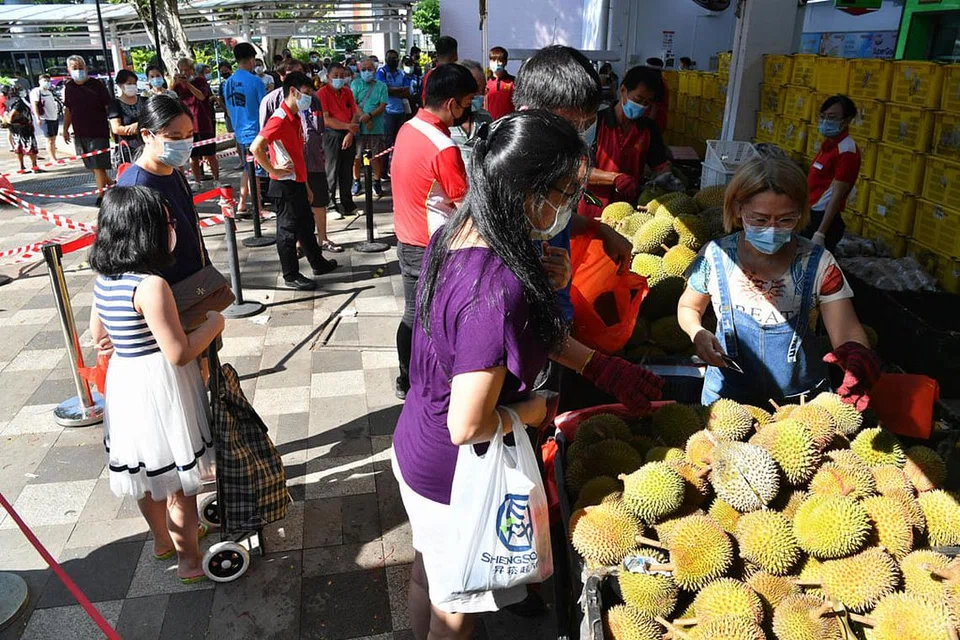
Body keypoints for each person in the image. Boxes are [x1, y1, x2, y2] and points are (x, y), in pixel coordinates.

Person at [392, 110, 586, 639]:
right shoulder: (496, 289)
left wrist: (547, 286)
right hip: (453, 469)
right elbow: (468, 425)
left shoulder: (454, 232)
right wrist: (534, 409)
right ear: (528, 190)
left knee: (427, 577)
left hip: (414, 438)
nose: (571, 204)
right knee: (455, 616)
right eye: (566, 190)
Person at [511, 46, 662, 418]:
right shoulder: (514, 182)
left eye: (584, 123)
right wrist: (596, 365)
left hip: (557, 326)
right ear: (535, 114)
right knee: (531, 425)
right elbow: (521, 319)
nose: (579, 133)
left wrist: (597, 228)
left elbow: (559, 220)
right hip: (535, 343)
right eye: (573, 124)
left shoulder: (555, 162)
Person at [88, 186, 222, 585]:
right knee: (181, 481)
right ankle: (190, 562)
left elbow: (99, 335)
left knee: (147, 477)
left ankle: (162, 541)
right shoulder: (151, 285)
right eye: (166, 223)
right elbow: (178, 352)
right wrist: (214, 323)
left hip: (126, 385)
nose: (172, 228)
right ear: (147, 232)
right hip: (161, 387)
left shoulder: (104, 278)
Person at [678, 155, 879, 410]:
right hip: (727, 400)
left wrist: (857, 358)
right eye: (760, 219)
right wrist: (698, 332)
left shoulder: (818, 263)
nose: (772, 229)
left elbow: (847, 330)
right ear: (738, 209)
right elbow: (689, 307)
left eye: (785, 220)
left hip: (800, 403)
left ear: (800, 213)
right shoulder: (715, 256)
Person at [391, 63, 476, 399]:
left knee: (413, 313)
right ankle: (426, 385)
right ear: (452, 102)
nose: (466, 110)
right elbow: (464, 201)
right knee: (433, 319)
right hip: (433, 245)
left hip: (406, 237)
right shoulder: (444, 146)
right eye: (466, 102)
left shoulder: (408, 127)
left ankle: (405, 380)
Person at [250, 71, 338, 290]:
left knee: (306, 226)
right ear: (293, 91)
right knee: (287, 231)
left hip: (297, 181)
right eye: (306, 93)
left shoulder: (295, 117)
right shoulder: (279, 118)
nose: (308, 98)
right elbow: (256, 147)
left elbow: (298, 155)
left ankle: (318, 263)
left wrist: (306, 184)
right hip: (284, 184)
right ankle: (291, 275)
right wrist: (273, 170)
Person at [116, 95, 209, 289]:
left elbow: (191, 231)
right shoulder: (135, 188)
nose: (184, 144)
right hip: (163, 296)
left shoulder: (174, 173)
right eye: (174, 137)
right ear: (146, 135)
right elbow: (134, 263)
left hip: (193, 284)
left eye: (189, 135)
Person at [580, 65, 673, 219]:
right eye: (638, 99)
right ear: (623, 91)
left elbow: (660, 164)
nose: (642, 106)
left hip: (628, 215)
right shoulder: (595, 122)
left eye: (647, 103)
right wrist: (615, 178)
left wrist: (665, 175)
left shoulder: (648, 129)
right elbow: (580, 171)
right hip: (593, 210)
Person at [803, 95, 862, 252]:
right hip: (810, 211)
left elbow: (837, 196)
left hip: (822, 218)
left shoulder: (846, 151)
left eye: (832, 117)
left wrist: (820, 233)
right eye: (823, 117)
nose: (825, 121)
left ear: (846, 120)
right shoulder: (828, 145)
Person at [223, 42, 269, 215]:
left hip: (240, 131)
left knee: (247, 170)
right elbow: (265, 108)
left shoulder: (229, 83)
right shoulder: (255, 81)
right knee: (255, 173)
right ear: (252, 59)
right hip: (255, 132)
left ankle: (242, 204)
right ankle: (258, 207)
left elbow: (228, 109)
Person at [62, 55, 113, 196]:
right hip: (79, 132)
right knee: (91, 165)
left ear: (86, 68)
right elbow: (68, 109)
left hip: (98, 131)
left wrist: (113, 126)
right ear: (69, 70)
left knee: (98, 165)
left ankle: (102, 195)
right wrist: (65, 128)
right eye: (74, 68)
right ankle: (111, 184)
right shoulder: (69, 87)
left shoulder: (97, 85)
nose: (78, 70)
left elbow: (108, 105)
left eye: (80, 67)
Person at [317, 63, 359, 218]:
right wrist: (348, 126)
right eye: (335, 76)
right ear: (328, 77)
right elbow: (326, 119)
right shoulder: (322, 93)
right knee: (331, 170)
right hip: (331, 135)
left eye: (342, 75)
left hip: (349, 133)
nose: (339, 79)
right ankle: (330, 204)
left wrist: (350, 131)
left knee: (346, 171)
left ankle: (348, 203)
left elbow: (354, 112)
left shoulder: (347, 92)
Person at [173, 58, 219, 190]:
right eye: (181, 70)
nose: (184, 72)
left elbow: (201, 96)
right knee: (193, 156)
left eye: (186, 70)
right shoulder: (178, 85)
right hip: (188, 126)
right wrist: (175, 82)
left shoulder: (200, 81)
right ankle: (197, 181)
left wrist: (188, 84)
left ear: (192, 70)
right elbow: (171, 96)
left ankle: (216, 179)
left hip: (203, 123)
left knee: (210, 154)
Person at [350, 57, 388, 198]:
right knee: (357, 157)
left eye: (369, 69)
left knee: (375, 157)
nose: (367, 72)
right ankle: (356, 181)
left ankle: (376, 181)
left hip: (376, 127)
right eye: (364, 69)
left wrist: (370, 116)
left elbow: (382, 106)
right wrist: (365, 118)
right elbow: (353, 104)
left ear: (375, 69)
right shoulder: (355, 84)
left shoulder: (381, 86)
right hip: (359, 127)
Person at [450, 60, 493, 166]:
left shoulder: (486, 118)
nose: (480, 94)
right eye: (476, 88)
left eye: (483, 90)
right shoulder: (446, 120)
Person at [376, 49, 410, 174]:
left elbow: (407, 91)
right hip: (387, 112)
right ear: (386, 59)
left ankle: (396, 169)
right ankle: (383, 171)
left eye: (395, 58)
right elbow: (384, 89)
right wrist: (398, 90)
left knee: (399, 142)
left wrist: (394, 90)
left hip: (400, 111)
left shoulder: (401, 73)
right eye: (390, 58)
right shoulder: (382, 72)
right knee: (386, 142)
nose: (393, 60)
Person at [108, 69, 146, 165]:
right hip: (128, 149)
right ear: (120, 85)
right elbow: (116, 128)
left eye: (134, 83)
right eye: (129, 83)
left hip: (146, 145)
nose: (132, 86)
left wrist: (139, 126)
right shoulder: (115, 105)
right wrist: (130, 129)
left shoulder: (145, 101)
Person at [5, 87, 41, 173]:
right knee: (30, 146)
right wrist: (8, 118)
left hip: (15, 129)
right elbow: (12, 115)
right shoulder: (18, 102)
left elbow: (6, 113)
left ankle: (22, 166)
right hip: (24, 128)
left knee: (18, 147)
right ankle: (34, 166)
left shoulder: (9, 102)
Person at [30, 74, 60, 162]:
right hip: (45, 119)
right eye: (45, 81)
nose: (47, 83)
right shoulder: (36, 91)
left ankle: (54, 156)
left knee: (53, 138)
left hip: (54, 117)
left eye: (48, 81)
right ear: (40, 82)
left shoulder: (49, 92)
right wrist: (37, 118)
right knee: (49, 139)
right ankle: (52, 158)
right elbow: (34, 105)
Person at [420, 36, 458, 102]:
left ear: (437, 55)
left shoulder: (429, 75)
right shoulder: (458, 75)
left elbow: (424, 100)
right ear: (455, 54)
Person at [485, 46, 515, 121]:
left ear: (505, 62)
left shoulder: (513, 81)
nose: (496, 63)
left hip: (507, 123)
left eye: (500, 61)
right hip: (488, 122)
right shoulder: (485, 81)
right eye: (493, 60)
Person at [644, 58, 669, 132]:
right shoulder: (660, 81)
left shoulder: (658, 85)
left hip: (654, 122)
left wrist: (649, 125)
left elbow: (655, 107)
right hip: (657, 121)